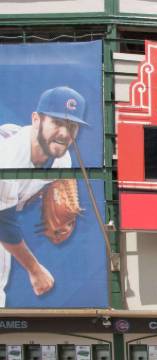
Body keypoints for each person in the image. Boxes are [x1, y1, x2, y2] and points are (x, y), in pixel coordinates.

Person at [0, 86, 88, 306]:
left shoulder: (61, 160)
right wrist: (35, 270)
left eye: (72, 126)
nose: (65, 134)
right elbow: (3, 223)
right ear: (36, 119)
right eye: (57, 122)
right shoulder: (7, 155)